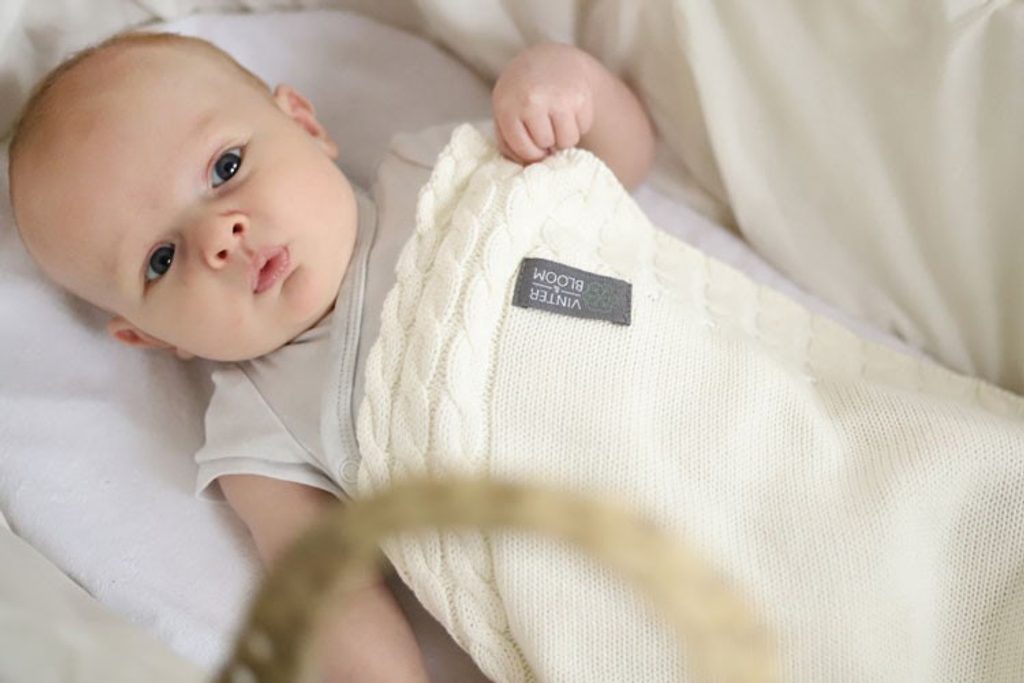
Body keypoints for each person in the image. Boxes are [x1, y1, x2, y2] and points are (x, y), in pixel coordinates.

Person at [6, 31, 655, 682]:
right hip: (601, 596)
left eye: (225, 168)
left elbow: (617, 169)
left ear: (305, 125)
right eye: (162, 259)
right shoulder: (260, 427)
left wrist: (567, 84)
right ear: (151, 336)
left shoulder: (440, 173)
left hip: (688, 385)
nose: (220, 237)